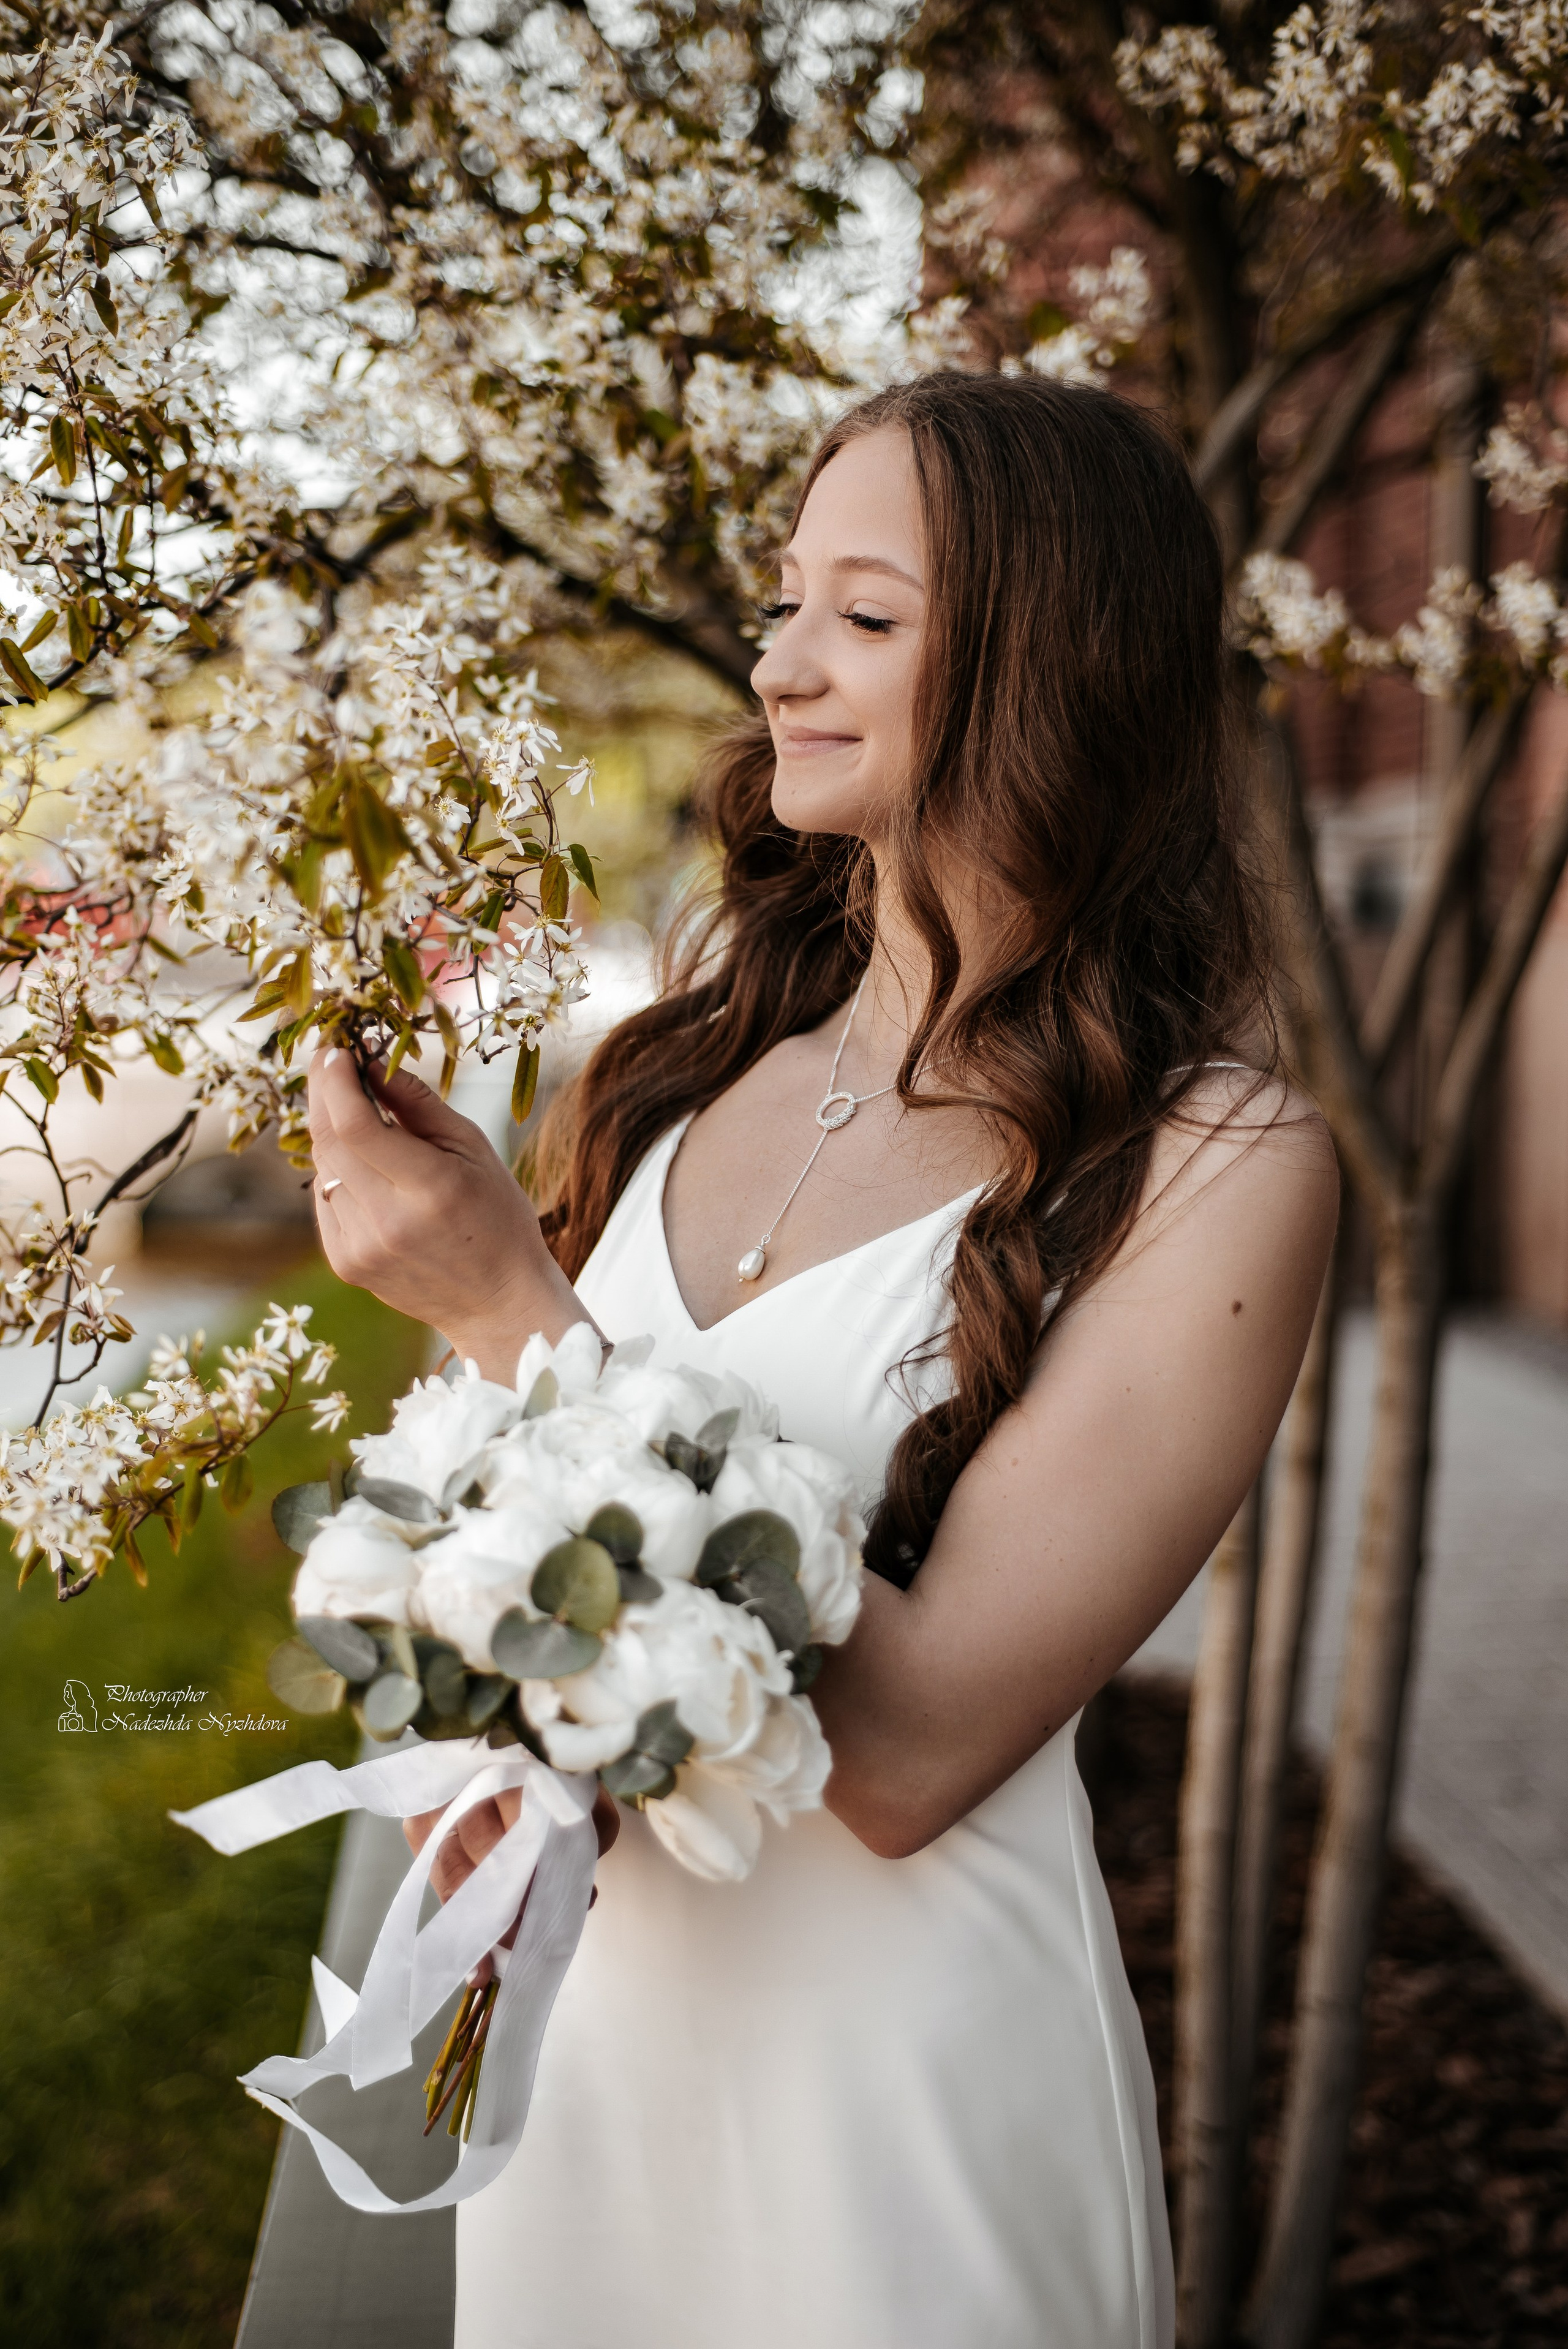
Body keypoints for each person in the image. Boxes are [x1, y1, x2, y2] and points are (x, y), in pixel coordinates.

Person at [306, 372, 1338, 2349]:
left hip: (897, 2106)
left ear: (1057, 670)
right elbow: (503, 1531)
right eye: (787, 601)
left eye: (864, 616)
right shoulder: (684, 1072)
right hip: (592, 2056)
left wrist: (511, 1311)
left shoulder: (1220, 1159)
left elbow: (917, 1745)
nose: (781, 662)